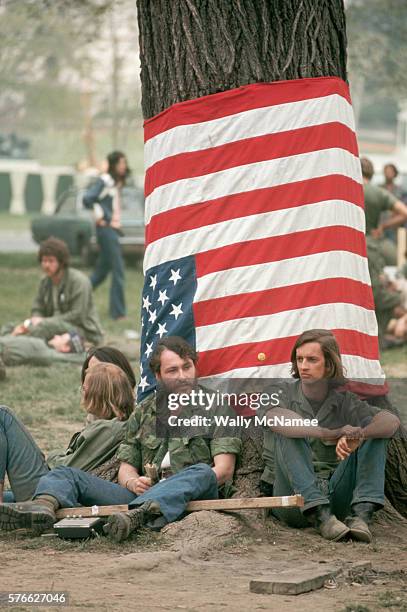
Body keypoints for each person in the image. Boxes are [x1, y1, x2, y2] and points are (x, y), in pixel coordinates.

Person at [0, 337, 242, 541]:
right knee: (64, 474)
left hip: (190, 495)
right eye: (172, 370)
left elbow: (223, 470)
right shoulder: (145, 411)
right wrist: (133, 482)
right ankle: (41, 508)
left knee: (201, 470)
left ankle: (142, 514)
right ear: (158, 376)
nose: (182, 376)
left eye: (187, 367)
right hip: (135, 500)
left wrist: (158, 491)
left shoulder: (217, 407)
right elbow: (126, 468)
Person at [259, 329, 399, 543]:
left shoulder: (344, 401)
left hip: (336, 499)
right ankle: (318, 514)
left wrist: (360, 434)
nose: (303, 366)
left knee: (376, 430)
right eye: (299, 359)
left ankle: (362, 515)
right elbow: (278, 419)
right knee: (289, 430)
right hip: (293, 499)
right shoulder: (279, 392)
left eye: (312, 360)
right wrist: (329, 433)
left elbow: (391, 422)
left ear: (329, 364)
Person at [0, 361, 134, 504]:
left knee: (3, 415)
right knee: (10, 497)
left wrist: (52, 455)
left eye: (84, 388)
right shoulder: (115, 424)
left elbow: (68, 469)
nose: (81, 392)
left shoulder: (107, 430)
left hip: (54, 488)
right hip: (57, 487)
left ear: (96, 394)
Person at [2, 238, 103, 345]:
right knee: (12, 326)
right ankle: (10, 340)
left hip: (83, 331)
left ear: (61, 262)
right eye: (44, 261)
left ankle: (12, 344)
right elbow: (37, 307)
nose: (46, 265)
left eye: (51, 261)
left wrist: (44, 321)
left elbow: (77, 315)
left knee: (42, 328)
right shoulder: (45, 282)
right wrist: (35, 319)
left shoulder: (78, 281)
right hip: (51, 327)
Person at [83, 151, 130, 320]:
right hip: (106, 230)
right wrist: (100, 216)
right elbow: (87, 199)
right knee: (118, 270)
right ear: (113, 165)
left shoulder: (115, 183)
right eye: (121, 163)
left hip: (112, 230)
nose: (124, 166)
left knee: (101, 272)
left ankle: (76, 296)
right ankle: (118, 313)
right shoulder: (105, 180)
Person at [361, 157, 407, 265]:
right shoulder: (378, 191)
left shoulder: (346, 191)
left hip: (349, 245)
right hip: (372, 242)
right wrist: (383, 226)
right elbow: (404, 212)